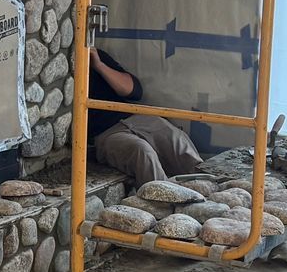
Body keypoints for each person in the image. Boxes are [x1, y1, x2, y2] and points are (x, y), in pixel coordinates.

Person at [86, 46, 204, 189]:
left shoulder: (93, 55)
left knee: (174, 139)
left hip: (136, 117)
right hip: (105, 133)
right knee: (142, 151)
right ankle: (165, 201)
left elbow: (134, 91)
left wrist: (99, 65)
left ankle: (207, 190)